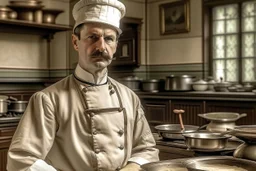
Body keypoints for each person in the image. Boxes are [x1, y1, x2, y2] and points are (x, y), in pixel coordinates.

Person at [7, 0, 159, 170]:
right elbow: (22, 160)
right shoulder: (48, 99)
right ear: (75, 42)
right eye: (93, 37)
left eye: (109, 39)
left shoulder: (129, 97)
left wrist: (131, 168)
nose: (101, 47)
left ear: (116, 45)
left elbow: (147, 150)